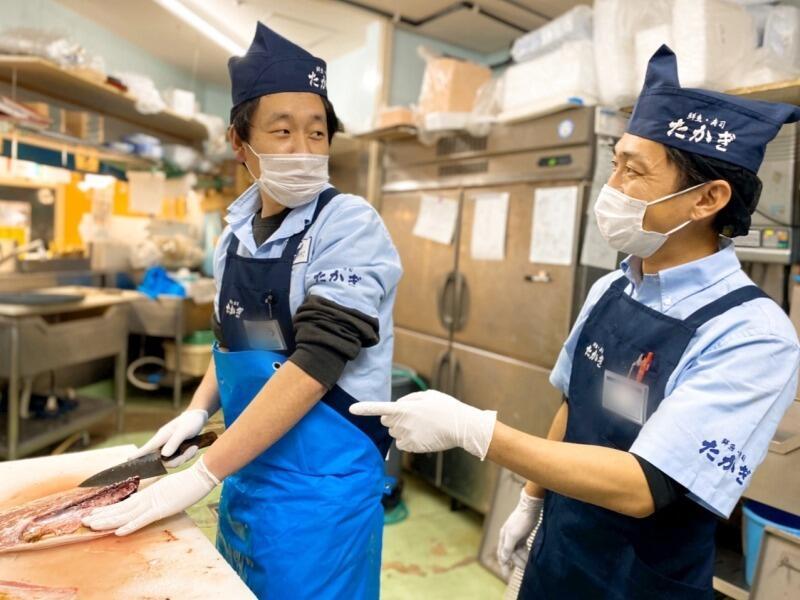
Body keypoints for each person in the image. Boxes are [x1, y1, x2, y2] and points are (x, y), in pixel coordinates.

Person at [351, 45, 800, 599]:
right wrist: (532, 500)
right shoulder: (613, 287)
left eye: (633, 171)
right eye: (615, 162)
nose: (611, 186)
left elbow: (644, 485)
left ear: (706, 198)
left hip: (638, 583)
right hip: (560, 556)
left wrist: (477, 430)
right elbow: (574, 404)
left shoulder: (752, 334)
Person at [84, 22, 402, 600]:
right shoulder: (232, 237)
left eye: (317, 132)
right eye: (282, 132)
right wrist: (194, 411)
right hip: (247, 473)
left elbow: (315, 364)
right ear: (240, 142)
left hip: (320, 495)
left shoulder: (349, 225)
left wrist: (203, 474)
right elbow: (233, 345)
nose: (304, 150)